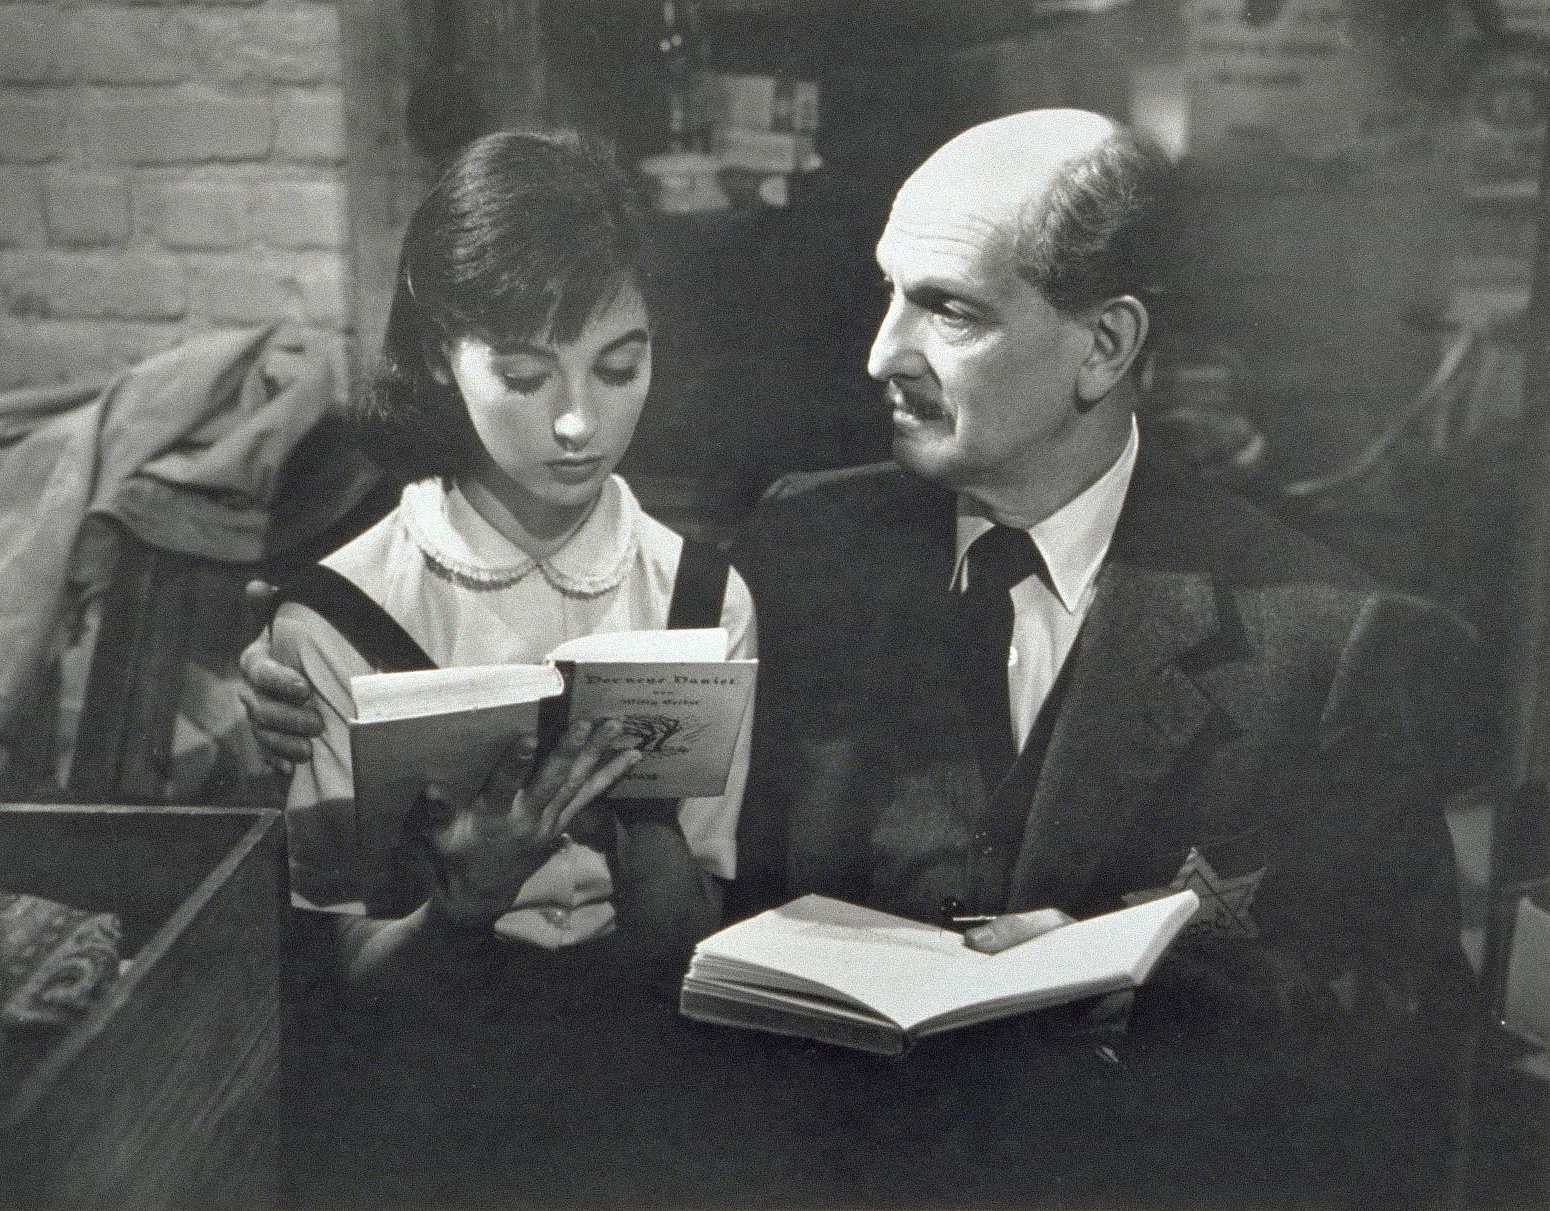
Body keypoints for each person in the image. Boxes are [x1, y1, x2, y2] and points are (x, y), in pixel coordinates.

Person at [248, 108, 1482, 1205]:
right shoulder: (801, 548)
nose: (881, 351)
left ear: (1104, 346)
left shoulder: (1324, 639)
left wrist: (1146, 983)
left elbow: (1404, 1038)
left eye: (948, 309)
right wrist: (286, 703)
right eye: (888, 294)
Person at [263, 129, 755, 986]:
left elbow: (699, 930)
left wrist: (639, 835)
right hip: (432, 1047)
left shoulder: (707, 600)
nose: (578, 422)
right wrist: (460, 907)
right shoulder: (334, 618)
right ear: (439, 357)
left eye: (618, 368)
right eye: (526, 377)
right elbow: (337, 975)